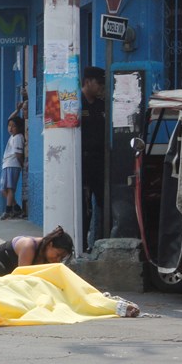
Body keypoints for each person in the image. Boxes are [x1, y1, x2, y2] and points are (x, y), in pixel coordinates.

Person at [0, 226, 75, 277]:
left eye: (61, 258)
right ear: (50, 245)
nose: (58, 259)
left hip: (12, 273)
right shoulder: (29, 246)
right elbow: (23, 278)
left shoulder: (48, 256)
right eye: (57, 255)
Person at [81, 66, 106, 253]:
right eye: (99, 83)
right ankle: (81, 245)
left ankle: (101, 243)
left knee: (103, 202)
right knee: (84, 206)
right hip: (83, 161)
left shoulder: (101, 105)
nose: (101, 87)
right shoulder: (76, 104)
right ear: (88, 82)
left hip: (100, 161)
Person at [0, 117, 25, 219]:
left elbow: (18, 154)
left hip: (13, 164)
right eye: (9, 125)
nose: (11, 128)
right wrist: (17, 110)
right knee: (3, 190)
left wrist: (21, 164)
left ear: (19, 127)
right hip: (6, 164)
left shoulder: (18, 137)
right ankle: (17, 208)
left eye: (14, 126)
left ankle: (8, 210)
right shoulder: (12, 137)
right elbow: (10, 117)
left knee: (10, 188)